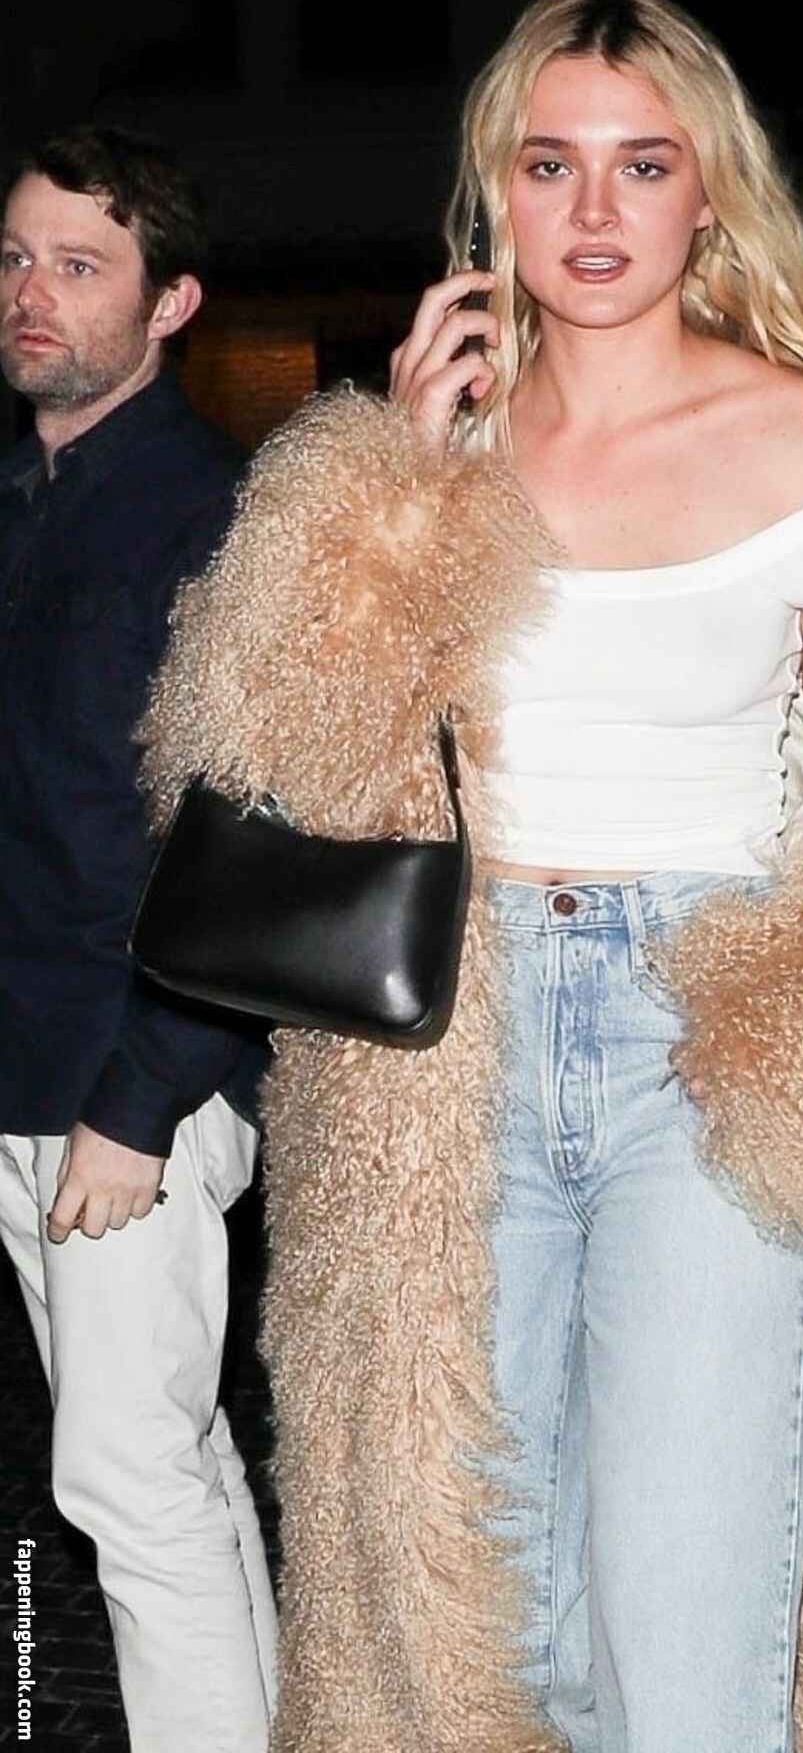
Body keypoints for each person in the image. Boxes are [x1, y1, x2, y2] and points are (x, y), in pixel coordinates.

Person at [138, 0, 803, 1753]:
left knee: (687, 1627)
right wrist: (395, 499)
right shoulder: (427, 441)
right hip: (438, 1043)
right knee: (483, 1626)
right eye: (549, 162)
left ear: (708, 194)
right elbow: (277, 760)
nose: (592, 208)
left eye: (642, 165)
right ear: (495, 188)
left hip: (703, 1027)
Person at [0, 126, 277, 1751]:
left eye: (80, 266)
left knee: (121, 1478)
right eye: (16, 257)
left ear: (171, 304)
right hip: (31, 1068)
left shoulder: (215, 516)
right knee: (168, 1458)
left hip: (129, 1083)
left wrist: (147, 1093)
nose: (32, 294)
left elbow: (252, 837)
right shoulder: (23, 497)